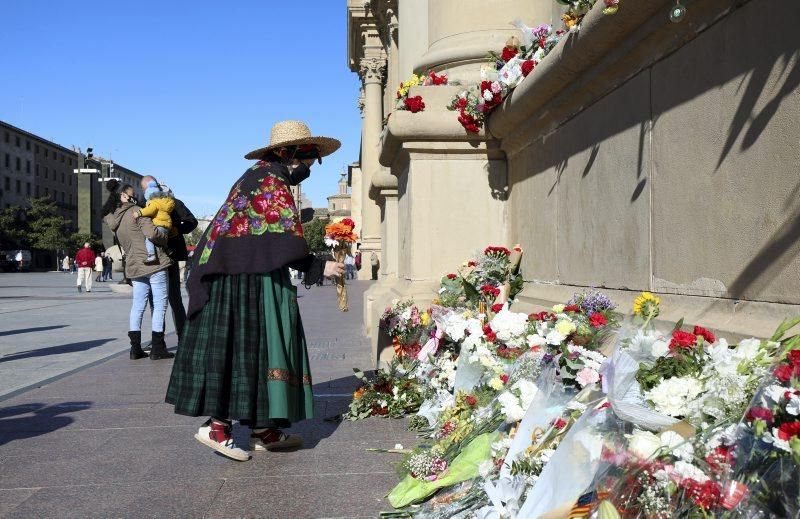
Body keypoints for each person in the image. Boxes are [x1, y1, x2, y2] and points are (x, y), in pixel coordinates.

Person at [166, 120, 344, 462]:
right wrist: (318, 266)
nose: (309, 166)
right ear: (287, 153)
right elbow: (282, 241)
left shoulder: (257, 176)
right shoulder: (270, 180)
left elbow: (270, 236)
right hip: (240, 278)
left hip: (241, 271)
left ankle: (263, 427)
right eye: (308, 159)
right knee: (242, 348)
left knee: (263, 349)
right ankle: (216, 426)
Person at [103, 181, 174, 361]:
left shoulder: (114, 219)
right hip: (153, 263)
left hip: (134, 265)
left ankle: (135, 349)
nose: (137, 196)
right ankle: (157, 348)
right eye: (132, 193)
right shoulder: (137, 213)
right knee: (159, 304)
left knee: (138, 306)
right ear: (124, 196)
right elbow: (152, 234)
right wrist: (165, 235)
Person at [139, 175, 198, 345]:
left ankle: (182, 336)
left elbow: (191, 222)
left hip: (170, 256)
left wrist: (176, 229)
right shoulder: (145, 205)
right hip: (154, 258)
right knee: (156, 300)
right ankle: (158, 339)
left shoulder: (174, 203)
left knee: (173, 299)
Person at [134, 180, 175, 265]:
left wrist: (139, 213)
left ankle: (151, 255)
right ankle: (168, 249)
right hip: (167, 225)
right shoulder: (164, 202)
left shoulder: (154, 202)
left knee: (149, 238)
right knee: (162, 239)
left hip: (158, 224)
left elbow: (150, 210)